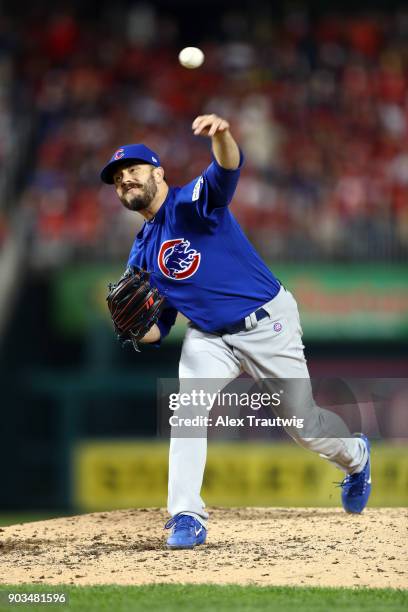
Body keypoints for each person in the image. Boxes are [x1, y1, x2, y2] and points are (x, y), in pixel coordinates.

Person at [100, 113, 371, 550]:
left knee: (304, 426)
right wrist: (133, 330)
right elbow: (157, 329)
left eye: (132, 170)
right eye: (116, 178)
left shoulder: (190, 204)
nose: (124, 180)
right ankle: (186, 514)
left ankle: (356, 457)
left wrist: (222, 135)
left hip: (267, 322)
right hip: (209, 338)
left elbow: (227, 170)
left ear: (158, 172)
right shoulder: (142, 253)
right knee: (187, 410)